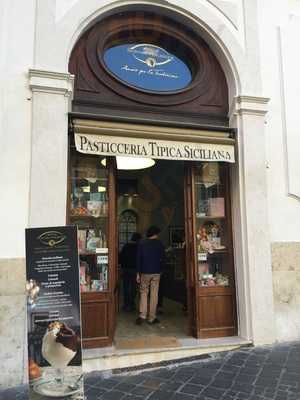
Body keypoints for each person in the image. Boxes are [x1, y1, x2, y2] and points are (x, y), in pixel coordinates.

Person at [136, 226, 165, 325]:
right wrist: (161, 270)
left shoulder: (142, 244)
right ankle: (152, 317)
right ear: (156, 234)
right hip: (156, 272)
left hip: (144, 272)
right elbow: (163, 258)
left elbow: (139, 259)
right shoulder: (160, 244)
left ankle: (142, 315)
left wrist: (138, 273)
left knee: (143, 293)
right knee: (154, 294)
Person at [119, 232, 142, 311]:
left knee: (125, 287)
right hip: (135, 269)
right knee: (134, 287)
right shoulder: (139, 247)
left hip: (125, 269)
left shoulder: (126, 246)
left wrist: (121, 266)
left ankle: (126, 304)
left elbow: (121, 257)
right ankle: (132, 303)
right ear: (139, 239)